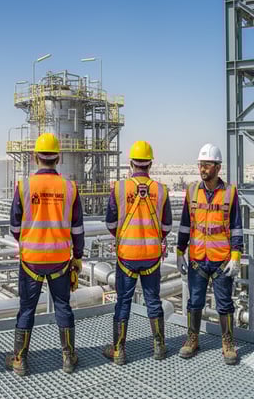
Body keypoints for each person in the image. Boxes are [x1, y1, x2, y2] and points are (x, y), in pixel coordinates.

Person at [5, 133, 84, 376]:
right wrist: (77, 257)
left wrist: (30, 241)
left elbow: (15, 228)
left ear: (34, 157)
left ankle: (20, 360)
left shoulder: (23, 186)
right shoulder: (70, 188)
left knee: (27, 309)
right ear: (58, 158)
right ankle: (68, 357)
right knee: (63, 306)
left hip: (32, 261)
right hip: (60, 259)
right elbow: (77, 229)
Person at [102, 141, 172, 364]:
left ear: (130, 163)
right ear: (150, 163)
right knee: (153, 300)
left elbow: (111, 222)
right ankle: (159, 347)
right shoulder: (161, 190)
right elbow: (167, 226)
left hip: (127, 258)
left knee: (123, 301)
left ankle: (119, 351)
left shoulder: (120, 188)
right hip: (151, 256)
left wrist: (123, 236)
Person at [176, 143, 243, 365]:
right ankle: (192, 339)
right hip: (197, 259)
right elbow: (186, 225)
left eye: (206, 165)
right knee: (194, 302)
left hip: (221, 259)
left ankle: (228, 343)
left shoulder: (229, 193)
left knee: (224, 303)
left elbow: (236, 228)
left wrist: (235, 256)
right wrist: (179, 251)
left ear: (217, 167)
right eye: (200, 165)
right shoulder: (192, 191)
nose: (202, 169)